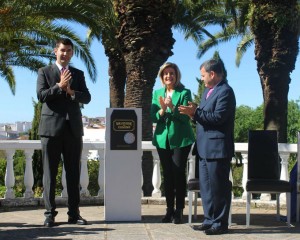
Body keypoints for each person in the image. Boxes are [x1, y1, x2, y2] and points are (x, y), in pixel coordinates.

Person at [36, 38, 91, 227]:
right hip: (51, 131)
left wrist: (71, 91)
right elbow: (41, 96)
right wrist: (59, 86)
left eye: (68, 50)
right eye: (62, 50)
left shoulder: (78, 73)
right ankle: (49, 215)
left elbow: (87, 97)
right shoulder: (44, 72)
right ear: (55, 51)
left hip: (73, 131)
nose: (65, 53)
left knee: (73, 174)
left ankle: (74, 214)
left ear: (72, 53)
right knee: (50, 174)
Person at [179, 59, 236, 235]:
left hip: (217, 149)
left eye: (203, 75)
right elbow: (204, 117)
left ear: (212, 74)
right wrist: (194, 113)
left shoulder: (225, 92)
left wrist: (195, 112)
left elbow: (218, 118)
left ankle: (220, 223)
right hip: (204, 148)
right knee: (206, 188)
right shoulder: (207, 92)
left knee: (219, 188)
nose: (202, 79)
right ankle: (209, 219)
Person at [151, 62, 195, 224]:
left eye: (172, 73)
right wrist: (162, 110)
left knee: (178, 174)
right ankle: (169, 210)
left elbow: (186, 116)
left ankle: (179, 211)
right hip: (163, 140)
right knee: (167, 175)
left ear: (176, 76)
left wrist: (172, 108)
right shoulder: (157, 93)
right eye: (166, 74)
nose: (169, 76)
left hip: (181, 139)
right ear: (162, 77)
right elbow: (153, 116)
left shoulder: (184, 92)